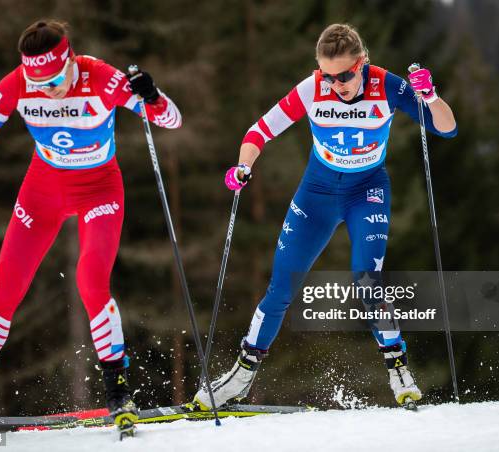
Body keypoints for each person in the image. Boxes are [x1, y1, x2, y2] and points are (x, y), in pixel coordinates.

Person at [0, 19, 181, 423]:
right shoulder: (16, 84)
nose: (49, 89)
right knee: (8, 284)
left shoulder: (102, 76)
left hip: (99, 188)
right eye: (39, 82)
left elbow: (171, 120)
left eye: (56, 79)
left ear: (71, 61)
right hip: (42, 190)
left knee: (90, 279)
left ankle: (118, 389)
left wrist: (152, 95)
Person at [195, 23, 457, 409]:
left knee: (367, 282)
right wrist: (242, 167)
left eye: (345, 75)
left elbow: (446, 128)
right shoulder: (311, 89)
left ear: (362, 63)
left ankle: (399, 370)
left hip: (365, 192)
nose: (336, 84)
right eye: (327, 76)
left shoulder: (386, 85)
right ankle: (240, 376)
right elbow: (258, 132)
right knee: (281, 287)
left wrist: (431, 97)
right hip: (316, 194)